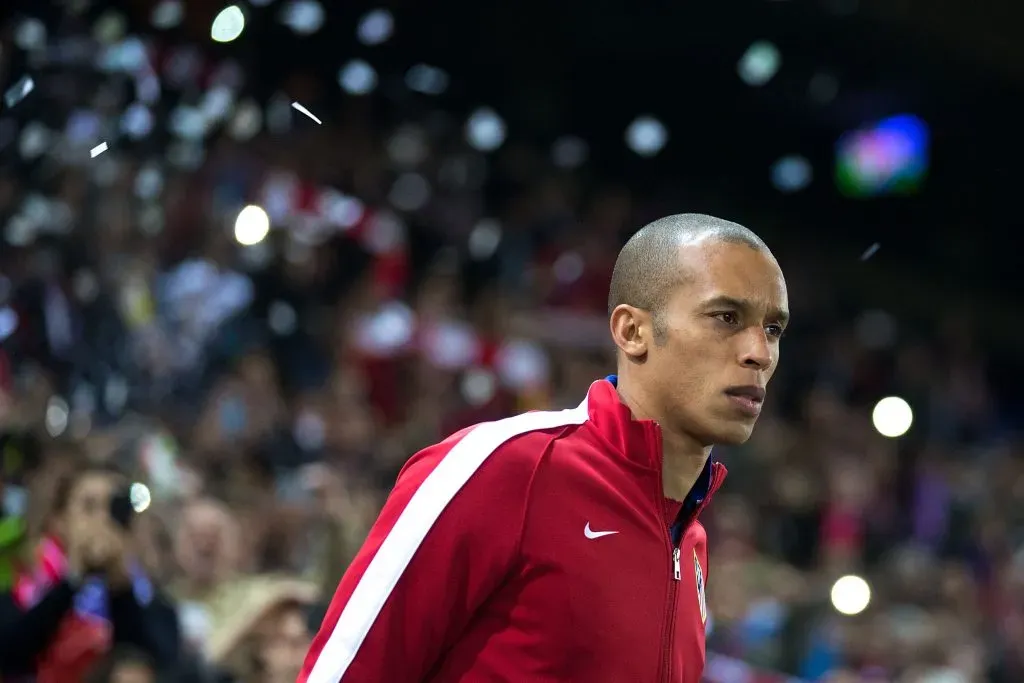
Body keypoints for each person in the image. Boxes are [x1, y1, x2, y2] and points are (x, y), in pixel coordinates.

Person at [299, 213, 790, 683]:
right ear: (632, 331)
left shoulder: (692, 541)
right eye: (726, 317)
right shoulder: (501, 467)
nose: (760, 353)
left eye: (772, 329)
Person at [0, 462, 181, 683]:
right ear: (60, 521)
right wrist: (74, 578)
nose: (102, 520)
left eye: (114, 509)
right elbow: (12, 657)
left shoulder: (152, 602)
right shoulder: (22, 595)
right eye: (89, 507)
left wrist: (119, 585)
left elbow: (156, 664)